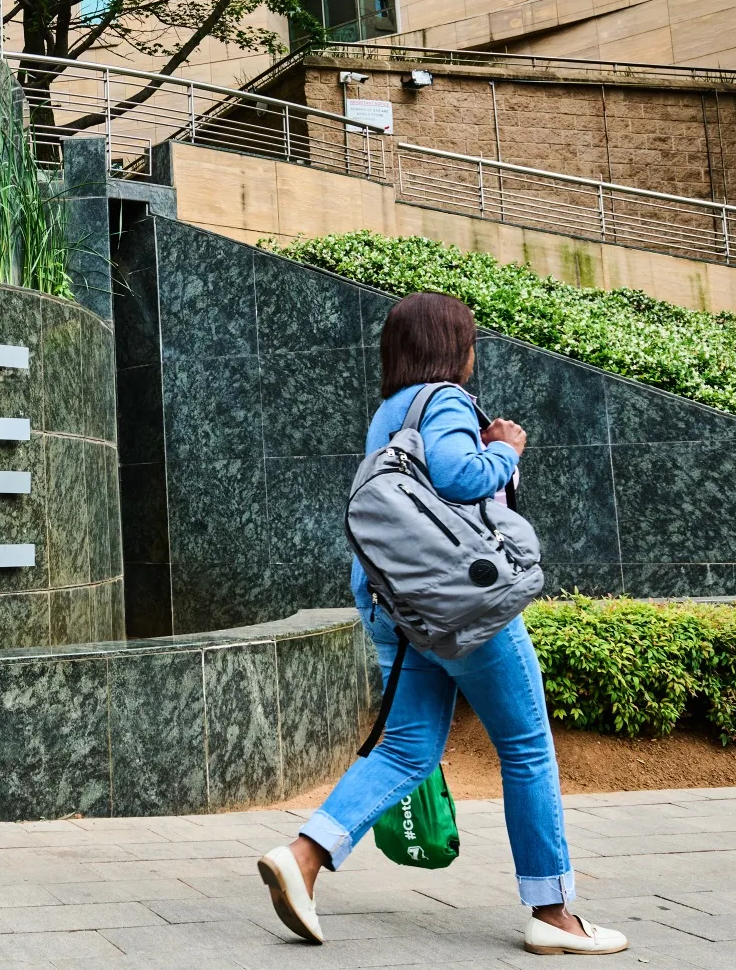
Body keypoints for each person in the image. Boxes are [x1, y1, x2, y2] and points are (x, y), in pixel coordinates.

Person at [257, 291, 628, 957]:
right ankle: (553, 912)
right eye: (470, 340)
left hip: (394, 604)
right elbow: (460, 479)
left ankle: (303, 857)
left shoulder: (388, 415)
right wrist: (507, 449)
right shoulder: (446, 400)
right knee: (526, 747)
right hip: (461, 607)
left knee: (405, 748)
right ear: (454, 348)